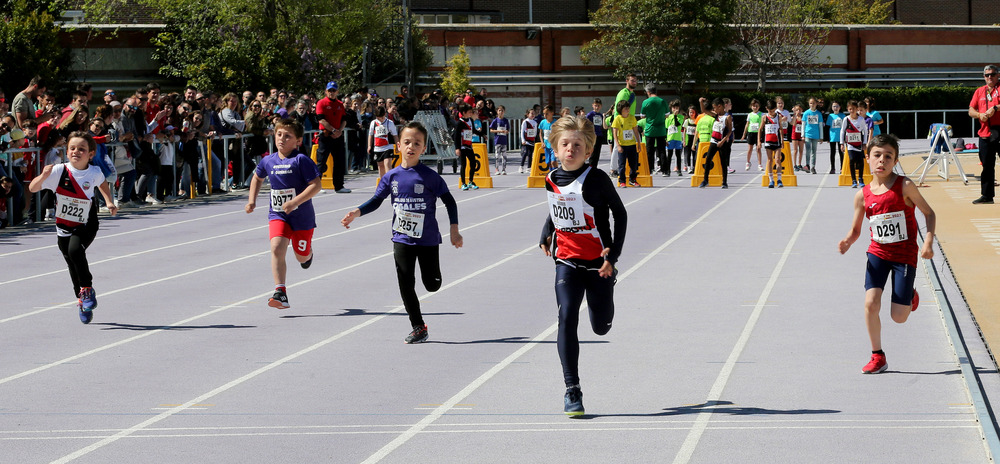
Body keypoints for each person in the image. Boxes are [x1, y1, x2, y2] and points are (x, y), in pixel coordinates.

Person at [341, 121, 463, 344]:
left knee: (432, 284)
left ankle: (429, 289)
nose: (411, 147)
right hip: (402, 238)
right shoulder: (392, 176)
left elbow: (450, 202)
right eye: (407, 142)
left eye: (417, 143)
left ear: (424, 148)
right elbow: (377, 200)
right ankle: (418, 326)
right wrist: (356, 213)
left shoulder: (430, 176)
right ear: (398, 146)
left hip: (427, 240)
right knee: (406, 282)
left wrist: (454, 230)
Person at [539, 115, 627, 416]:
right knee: (566, 316)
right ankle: (572, 389)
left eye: (577, 145)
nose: (570, 150)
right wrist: (546, 232)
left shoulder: (597, 179)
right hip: (567, 260)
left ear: (588, 150)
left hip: (598, 263)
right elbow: (557, 207)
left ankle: (607, 289)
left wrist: (612, 256)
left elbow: (621, 214)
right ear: (555, 147)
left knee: (601, 327)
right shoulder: (551, 178)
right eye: (565, 144)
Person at [838, 134, 935, 374]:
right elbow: (856, 229)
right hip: (877, 254)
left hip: (904, 256)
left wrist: (928, 242)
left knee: (899, 317)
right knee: (870, 303)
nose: (882, 160)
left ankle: (909, 293)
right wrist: (847, 241)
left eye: (888, 156)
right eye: (877, 155)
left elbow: (929, 213)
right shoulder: (862, 195)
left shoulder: (905, 186)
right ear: (868, 158)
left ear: (895, 161)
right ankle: (877, 355)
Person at [28, 131, 118, 324]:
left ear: (91, 154)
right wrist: (43, 176)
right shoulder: (58, 171)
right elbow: (33, 188)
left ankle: (87, 290)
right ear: (67, 151)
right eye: (73, 148)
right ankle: (81, 299)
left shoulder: (93, 172)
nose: (76, 151)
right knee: (71, 261)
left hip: (86, 222)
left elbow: (102, 183)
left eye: (82, 149)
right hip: (63, 225)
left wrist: (109, 202)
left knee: (75, 250)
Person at [245, 119, 320, 309]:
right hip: (278, 214)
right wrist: (252, 200)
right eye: (279, 134)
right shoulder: (268, 160)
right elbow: (257, 177)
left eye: (288, 136)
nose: (282, 139)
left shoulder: (301, 160)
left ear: (298, 141)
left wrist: (295, 202)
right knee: (277, 247)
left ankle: (308, 255)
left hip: (302, 216)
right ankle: (280, 292)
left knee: (300, 256)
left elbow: (316, 185)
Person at [968, 64, 1000, 204]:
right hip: (985, 132)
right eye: (987, 75)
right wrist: (979, 115)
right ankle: (987, 196)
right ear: (983, 77)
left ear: (998, 75)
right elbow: (971, 110)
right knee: (987, 165)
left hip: (999, 130)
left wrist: (996, 108)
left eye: (992, 74)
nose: (990, 77)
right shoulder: (979, 91)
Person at [315, 81, 351, 193]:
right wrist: (333, 130)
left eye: (334, 90)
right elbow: (321, 119)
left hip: (337, 136)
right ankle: (316, 186)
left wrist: (339, 131)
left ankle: (339, 186)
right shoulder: (321, 103)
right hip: (326, 135)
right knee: (321, 161)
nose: (332, 92)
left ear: (337, 92)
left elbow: (344, 119)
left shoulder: (340, 104)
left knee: (339, 161)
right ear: (326, 91)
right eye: (330, 90)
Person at [699, 98, 733, 189]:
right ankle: (705, 180)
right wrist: (701, 102)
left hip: (722, 142)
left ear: (720, 106)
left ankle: (724, 182)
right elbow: (703, 110)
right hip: (714, 140)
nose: (714, 110)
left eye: (715, 108)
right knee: (708, 159)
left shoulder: (727, 117)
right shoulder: (715, 116)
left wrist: (723, 141)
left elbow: (730, 131)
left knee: (723, 162)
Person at [611, 100, 639, 188]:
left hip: (632, 144)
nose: (627, 110)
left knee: (633, 164)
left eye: (628, 108)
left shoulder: (632, 118)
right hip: (622, 145)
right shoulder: (617, 119)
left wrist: (638, 142)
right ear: (621, 110)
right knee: (622, 165)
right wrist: (618, 145)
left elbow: (635, 130)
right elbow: (614, 133)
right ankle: (622, 181)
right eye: (625, 108)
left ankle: (633, 179)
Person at [841, 100, 869, 188]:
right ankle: (854, 180)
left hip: (859, 144)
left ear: (856, 109)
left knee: (860, 161)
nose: (851, 111)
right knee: (852, 159)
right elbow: (842, 131)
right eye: (850, 109)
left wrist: (865, 143)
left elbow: (865, 131)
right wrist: (842, 143)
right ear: (847, 109)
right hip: (850, 144)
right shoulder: (846, 119)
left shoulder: (861, 119)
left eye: (853, 109)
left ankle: (860, 178)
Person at [640, 83, 667, 175]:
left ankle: (649, 168)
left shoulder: (645, 102)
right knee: (662, 150)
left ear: (648, 92)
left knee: (649, 151)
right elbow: (667, 114)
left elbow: (642, 116)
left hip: (650, 129)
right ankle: (665, 170)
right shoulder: (662, 101)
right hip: (661, 129)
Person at [759, 99, 786, 188]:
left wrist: (782, 141)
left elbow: (781, 129)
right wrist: (759, 141)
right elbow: (760, 129)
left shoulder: (778, 117)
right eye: (770, 110)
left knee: (777, 159)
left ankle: (779, 179)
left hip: (777, 141)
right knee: (770, 160)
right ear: (766, 108)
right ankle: (771, 180)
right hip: (768, 142)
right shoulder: (764, 117)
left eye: (773, 110)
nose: (771, 112)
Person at [453, 103, 479, 190]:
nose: (471, 113)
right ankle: (463, 183)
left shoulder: (470, 121)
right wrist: (457, 148)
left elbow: (474, 130)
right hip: (462, 147)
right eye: (469, 112)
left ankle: (471, 181)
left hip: (469, 146)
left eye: (471, 112)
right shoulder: (459, 123)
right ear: (464, 113)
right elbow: (456, 136)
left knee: (473, 163)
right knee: (464, 164)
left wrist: (482, 134)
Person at [368, 106, 398, 178]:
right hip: (378, 147)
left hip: (388, 147)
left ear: (385, 114)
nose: (380, 119)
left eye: (381, 117)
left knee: (387, 164)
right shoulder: (373, 123)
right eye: (378, 117)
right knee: (380, 166)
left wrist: (397, 146)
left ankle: (389, 182)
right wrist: (369, 146)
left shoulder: (389, 123)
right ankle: (383, 182)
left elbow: (395, 135)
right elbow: (370, 135)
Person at [663, 99, 685, 176]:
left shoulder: (681, 117)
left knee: (678, 155)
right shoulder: (668, 117)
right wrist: (665, 139)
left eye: (677, 108)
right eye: (673, 108)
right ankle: (668, 170)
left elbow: (677, 124)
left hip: (678, 138)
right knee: (669, 155)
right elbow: (666, 128)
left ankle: (679, 169)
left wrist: (675, 116)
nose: (675, 109)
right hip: (670, 138)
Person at [742, 99, 763, 171]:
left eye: (756, 106)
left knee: (758, 149)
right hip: (751, 132)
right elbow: (747, 125)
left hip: (758, 133)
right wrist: (744, 134)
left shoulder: (762, 114)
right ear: (751, 106)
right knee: (750, 148)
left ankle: (759, 164)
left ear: (759, 107)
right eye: (753, 106)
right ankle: (748, 162)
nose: (755, 107)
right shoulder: (750, 115)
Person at [585, 98, 606, 170]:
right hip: (593, 135)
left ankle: (594, 167)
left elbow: (602, 126)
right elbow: (586, 124)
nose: (597, 107)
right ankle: (590, 167)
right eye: (595, 105)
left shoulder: (600, 115)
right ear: (593, 106)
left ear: (601, 106)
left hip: (599, 135)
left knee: (597, 153)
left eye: (598, 106)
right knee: (592, 153)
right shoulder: (590, 115)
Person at [489, 105, 511, 175]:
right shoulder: (495, 120)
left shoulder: (506, 120)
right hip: (497, 140)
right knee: (497, 155)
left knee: (504, 155)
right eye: (499, 111)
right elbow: (491, 130)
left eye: (502, 111)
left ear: (504, 112)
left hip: (504, 140)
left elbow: (508, 130)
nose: (500, 112)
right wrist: (498, 131)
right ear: (497, 111)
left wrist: (506, 132)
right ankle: (497, 169)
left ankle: (504, 169)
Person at [803, 97, 822, 174]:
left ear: (816, 104)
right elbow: (803, 124)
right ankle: (807, 165)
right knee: (808, 150)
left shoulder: (818, 114)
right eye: (811, 103)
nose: (812, 105)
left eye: (814, 103)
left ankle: (813, 166)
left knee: (814, 151)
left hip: (816, 135)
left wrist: (821, 137)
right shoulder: (806, 113)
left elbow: (820, 126)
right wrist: (802, 135)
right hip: (807, 134)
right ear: (808, 104)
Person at [826, 101, 845, 175]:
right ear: (832, 108)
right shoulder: (830, 116)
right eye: (834, 106)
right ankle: (832, 168)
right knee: (832, 153)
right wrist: (827, 137)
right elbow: (827, 127)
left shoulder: (843, 116)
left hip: (841, 137)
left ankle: (842, 167)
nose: (835, 108)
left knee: (841, 152)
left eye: (837, 106)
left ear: (840, 107)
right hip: (832, 137)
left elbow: (845, 127)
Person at [520, 107, 538, 174]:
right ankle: (521, 166)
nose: (533, 115)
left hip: (531, 140)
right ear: (527, 114)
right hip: (526, 140)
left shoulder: (535, 123)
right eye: (531, 113)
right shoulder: (525, 122)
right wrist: (523, 140)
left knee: (530, 154)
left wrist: (534, 139)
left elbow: (535, 132)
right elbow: (522, 131)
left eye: (534, 113)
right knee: (525, 153)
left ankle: (529, 167)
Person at [538, 105, 557, 171]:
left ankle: (555, 173)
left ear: (552, 113)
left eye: (547, 114)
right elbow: (540, 133)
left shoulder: (555, 123)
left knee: (553, 161)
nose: (545, 115)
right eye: (544, 114)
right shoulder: (542, 122)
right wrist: (542, 142)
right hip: (546, 145)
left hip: (553, 145)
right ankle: (550, 173)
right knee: (548, 162)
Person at [683, 105, 698, 173]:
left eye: (693, 112)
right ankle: (688, 167)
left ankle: (694, 167)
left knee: (694, 154)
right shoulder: (687, 121)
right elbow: (684, 131)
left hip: (694, 140)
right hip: (688, 140)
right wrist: (684, 140)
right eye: (690, 112)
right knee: (688, 154)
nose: (691, 114)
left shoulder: (697, 121)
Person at [790, 104, 805, 172]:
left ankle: (799, 163)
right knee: (795, 150)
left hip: (801, 135)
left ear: (801, 110)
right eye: (797, 110)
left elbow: (804, 124)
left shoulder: (803, 117)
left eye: (799, 110)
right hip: (795, 135)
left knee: (801, 150)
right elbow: (793, 124)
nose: (798, 111)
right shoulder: (793, 117)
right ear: (795, 111)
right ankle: (794, 164)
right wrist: (795, 116)